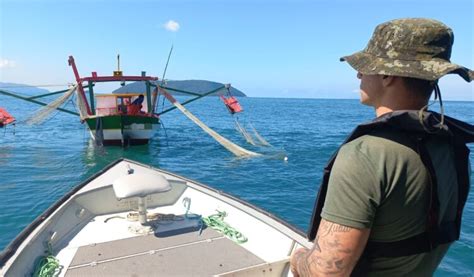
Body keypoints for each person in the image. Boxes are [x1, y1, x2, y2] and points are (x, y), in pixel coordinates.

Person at [290, 18, 474, 276]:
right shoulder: (454, 149)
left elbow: (326, 272)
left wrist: (299, 259)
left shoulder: (365, 154)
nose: (359, 74)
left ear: (387, 75)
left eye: (365, 67)